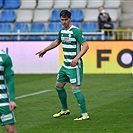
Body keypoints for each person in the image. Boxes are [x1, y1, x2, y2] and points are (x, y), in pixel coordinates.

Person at [36, 10, 89, 121]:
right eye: (62, 20)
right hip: (65, 65)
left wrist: (76, 58)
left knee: (75, 89)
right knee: (58, 86)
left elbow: (85, 46)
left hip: (75, 65)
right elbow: (57, 41)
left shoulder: (76, 31)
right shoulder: (61, 31)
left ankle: (84, 114)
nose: (64, 22)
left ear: (70, 19)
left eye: (66, 20)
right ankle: (64, 109)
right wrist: (45, 50)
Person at [0, 50, 17, 133]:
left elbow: (10, 79)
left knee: (10, 130)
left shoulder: (4, 57)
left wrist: (12, 99)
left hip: (3, 101)